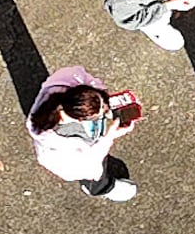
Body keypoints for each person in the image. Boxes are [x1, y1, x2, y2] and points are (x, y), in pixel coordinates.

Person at [26, 70, 142, 200]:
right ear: (81, 120)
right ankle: (99, 188)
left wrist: (102, 95)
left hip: (84, 152)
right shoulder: (65, 141)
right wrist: (109, 137)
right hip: (73, 165)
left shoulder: (61, 85)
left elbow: (80, 74)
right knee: (96, 176)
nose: (106, 111)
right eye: (99, 114)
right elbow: (90, 165)